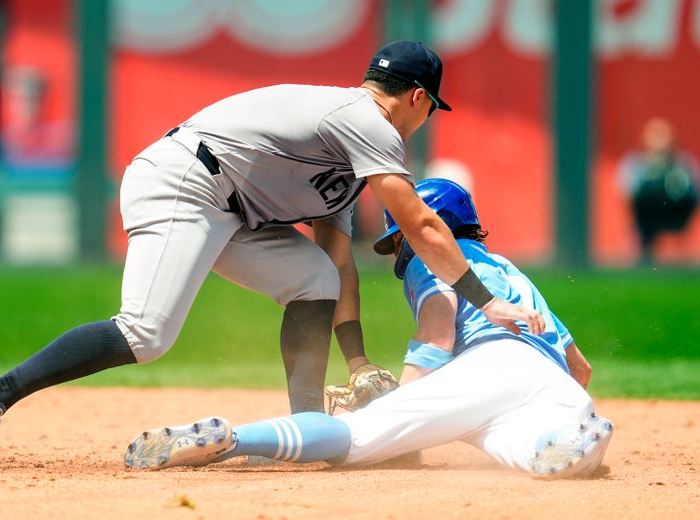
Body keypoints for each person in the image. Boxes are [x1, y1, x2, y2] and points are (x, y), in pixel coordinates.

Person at [0, 41, 544, 464]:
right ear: (418, 97)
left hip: (230, 211)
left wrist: (357, 360)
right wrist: (485, 302)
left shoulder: (345, 158)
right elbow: (421, 224)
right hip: (184, 182)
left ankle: (305, 425)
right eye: (427, 108)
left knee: (311, 278)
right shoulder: (369, 123)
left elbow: (337, 264)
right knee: (146, 333)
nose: (422, 120)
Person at [123, 179, 611, 479]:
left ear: (435, 226)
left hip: (489, 365)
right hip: (554, 389)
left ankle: (232, 439)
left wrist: (402, 393)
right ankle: (576, 440)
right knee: (523, 450)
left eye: (404, 234)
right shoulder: (510, 271)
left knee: (354, 438)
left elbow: (439, 326)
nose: (401, 247)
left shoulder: (430, 257)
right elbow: (579, 367)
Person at [617, 117, 698, 264]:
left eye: (662, 136)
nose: (659, 142)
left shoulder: (683, 162)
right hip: (645, 218)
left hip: (676, 214)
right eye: (654, 135)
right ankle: (641, 258)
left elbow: (693, 190)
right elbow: (626, 192)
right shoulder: (635, 163)